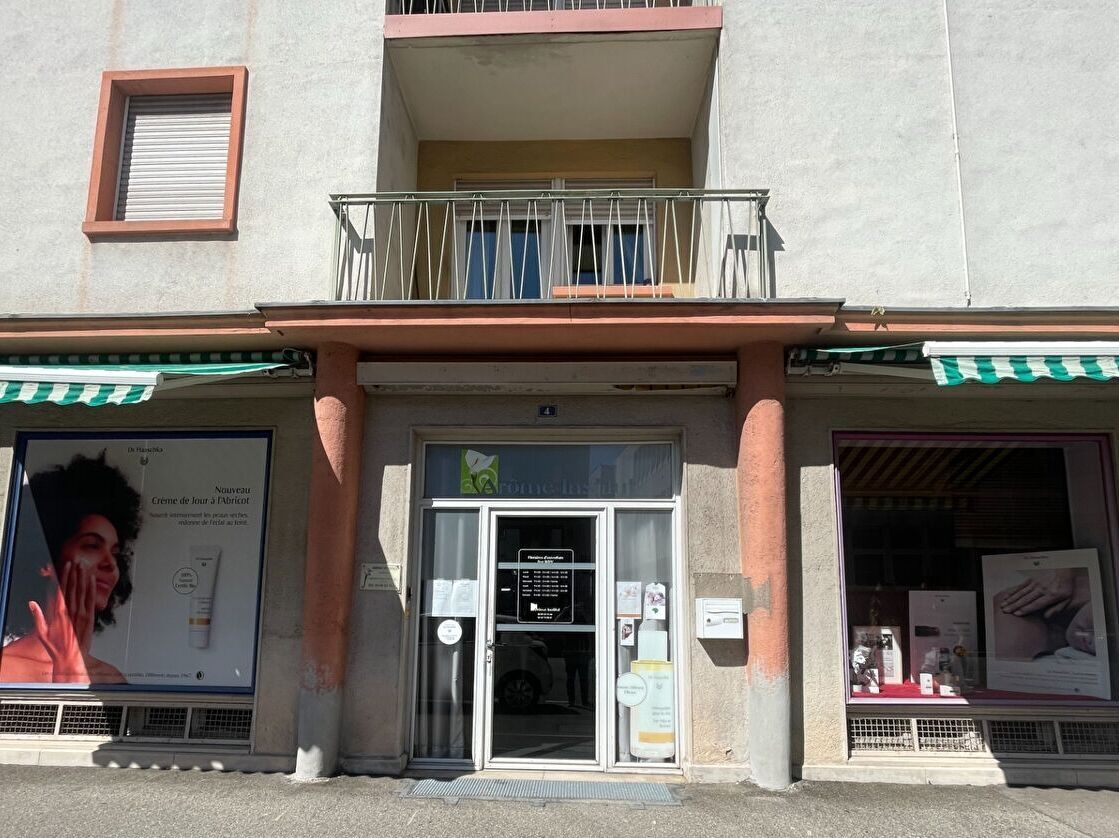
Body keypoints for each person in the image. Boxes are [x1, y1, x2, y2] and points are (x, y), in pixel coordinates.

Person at [0, 452, 141, 684]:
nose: (110, 564)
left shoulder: (111, 677)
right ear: (45, 559)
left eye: (115, 553)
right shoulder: (5, 669)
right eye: (92, 545)